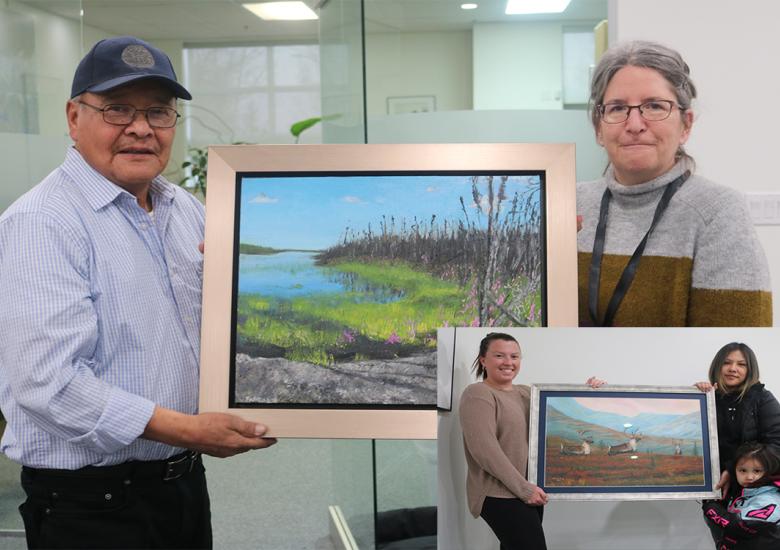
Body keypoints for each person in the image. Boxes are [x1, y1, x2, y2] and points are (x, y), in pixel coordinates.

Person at [0, 36, 275, 549]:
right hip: (91, 507)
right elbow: (49, 384)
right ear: (73, 117)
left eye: (158, 111)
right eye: (117, 109)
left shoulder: (185, 210)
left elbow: (204, 335)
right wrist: (191, 430)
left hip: (181, 485)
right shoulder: (43, 224)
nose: (141, 128)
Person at [577, 40, 772, 327]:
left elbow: (736, 345)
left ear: (686, 125)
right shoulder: (569, 204)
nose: (634, 124)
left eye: (654, 106)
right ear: (598, 127)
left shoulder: (718, 212)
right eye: (618, 108)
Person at [458, 332, 604, 550]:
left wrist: (588, 391)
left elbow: (559, 415)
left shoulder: (528, 393)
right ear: (483, 360)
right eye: (499, 355)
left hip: (529, 489)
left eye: (514, 356)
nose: (508, 362)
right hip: (499, 493)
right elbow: (484, 450)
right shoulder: (478, 393)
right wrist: (524, 489)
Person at [695, 343, 780, 495]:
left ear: (750, 370)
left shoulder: (763, 398)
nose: (732, 368)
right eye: (726, 363)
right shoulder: (708, 398)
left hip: (756, 487)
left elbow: (777, 444)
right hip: (715, 486)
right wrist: (693, 397)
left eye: (741, 364)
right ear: (717, 366)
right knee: (717, 519)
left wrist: (734, 470)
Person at [702, 442, 780, 549]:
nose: (749, 477)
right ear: (734, 471)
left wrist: (711, 507)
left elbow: (740, 526)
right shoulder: (747, 491)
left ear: (768, 471)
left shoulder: (769, 499)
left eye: (757, 471)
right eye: (743, 470)